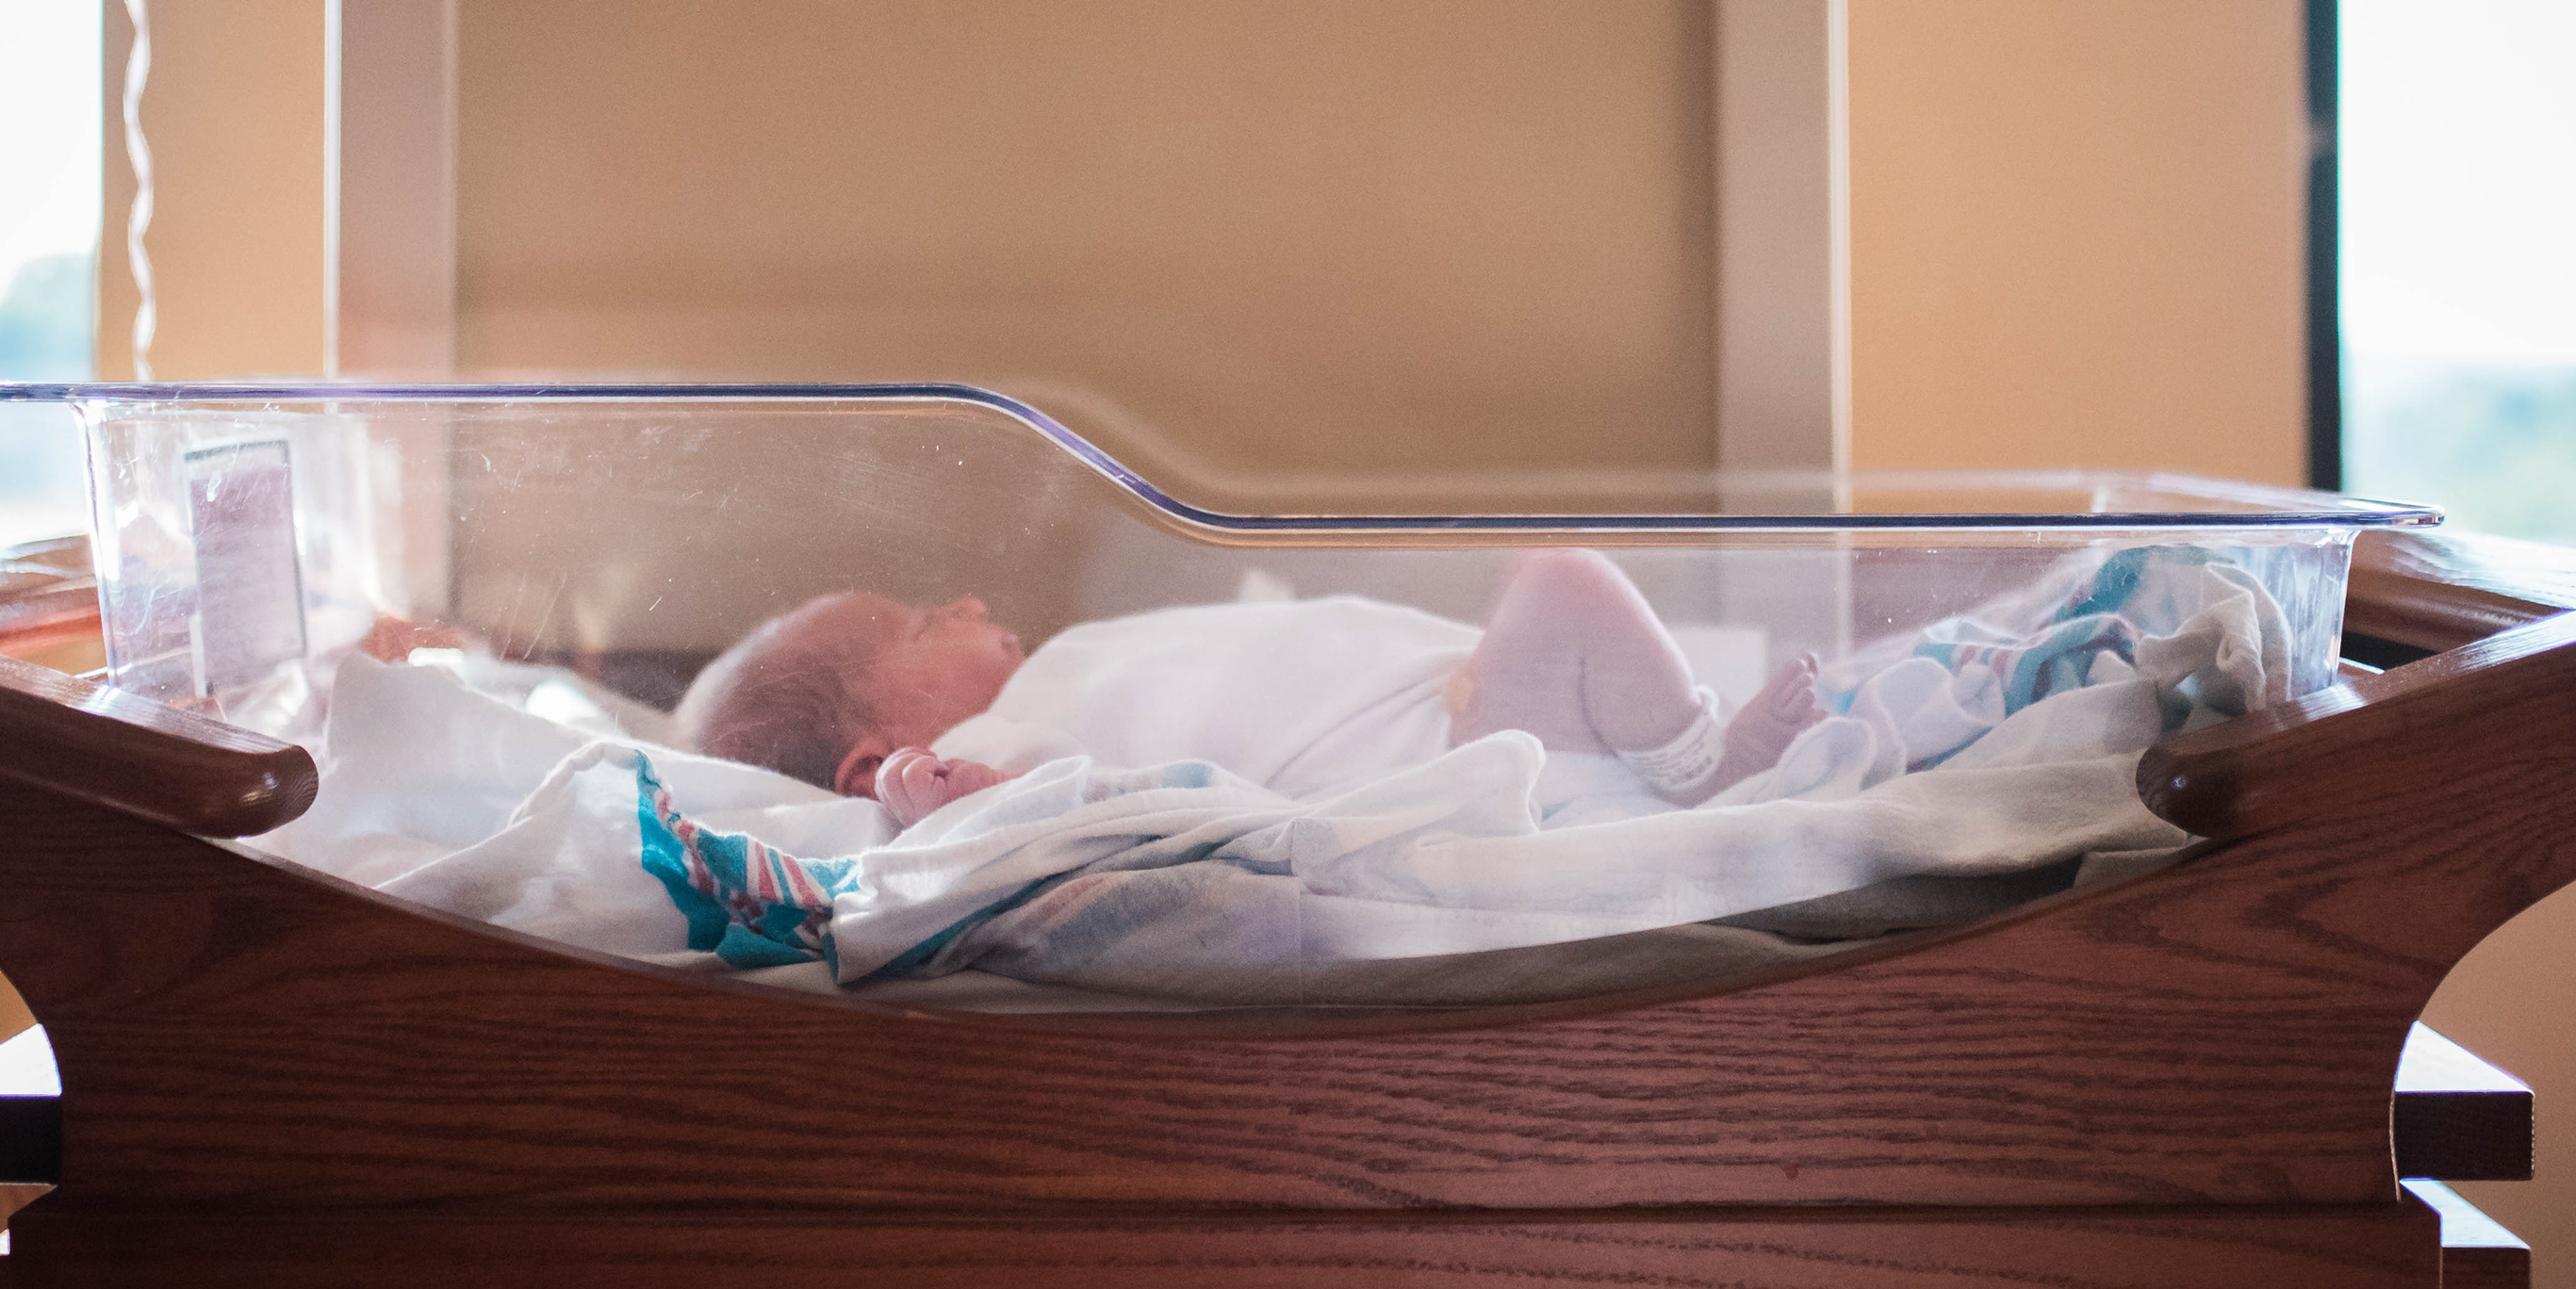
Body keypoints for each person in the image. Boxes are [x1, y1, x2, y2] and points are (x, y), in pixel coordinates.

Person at [678, 548, 1825, 829]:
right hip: (1460, 754)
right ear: (878, 761)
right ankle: (1703, 765)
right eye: (930, 623)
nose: (970, 600)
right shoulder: (998, 746)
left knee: (1558, 591)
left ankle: (1679, 742)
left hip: (1461, 706)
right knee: (1565, 580)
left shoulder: (1068, 669)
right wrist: (956, 804)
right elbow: (1079, 819)